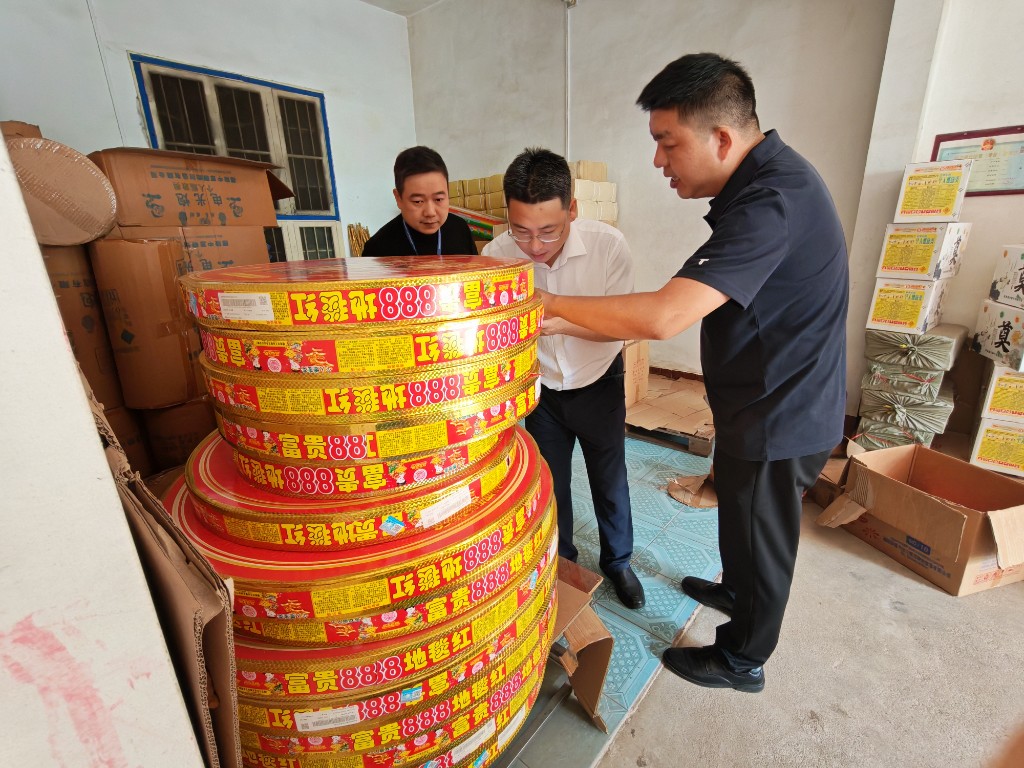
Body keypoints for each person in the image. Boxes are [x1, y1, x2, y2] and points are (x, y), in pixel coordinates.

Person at [540, 53, 849, 692]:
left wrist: (546, 306)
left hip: (782, 414)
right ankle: (736, 590)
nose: (658, 160)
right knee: (738, 511)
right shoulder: (763, 187)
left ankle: (742, 659)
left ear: (723, 138)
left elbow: (663, 316)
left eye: (667, 142)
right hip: (754, 402)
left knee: (764, 538)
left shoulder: (771, 202)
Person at [482, 148, 645, 610]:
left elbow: (623, 325)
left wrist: (561, 321)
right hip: (542, 390)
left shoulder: (608, 246)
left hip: (598, 381)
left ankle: (618, 561)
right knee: (550, 483)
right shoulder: (496, 254)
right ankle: (563, 560)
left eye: (548, 231)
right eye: (521, 230)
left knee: (609, 480)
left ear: (572, 209)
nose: (534, 246)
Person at [362, 146, 477, 257]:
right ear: (398, 198)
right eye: (418, 201)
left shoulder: (460, 229)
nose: (430, 212)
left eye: (438, 199)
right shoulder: (377, 249)